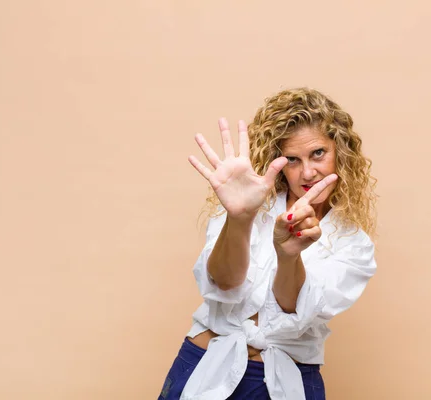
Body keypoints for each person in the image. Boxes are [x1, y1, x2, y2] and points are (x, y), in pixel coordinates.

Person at [158, 87, 377, 400]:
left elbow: (294, 312)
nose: (308, 172)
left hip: (284, 382)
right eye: (292, 159)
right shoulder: (249, 199)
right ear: (279, 161)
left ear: (340, 152)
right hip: (206, 365)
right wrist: (240, 218)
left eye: (318, 153)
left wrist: (288, 256)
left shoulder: (354, 244)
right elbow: (222, 282)